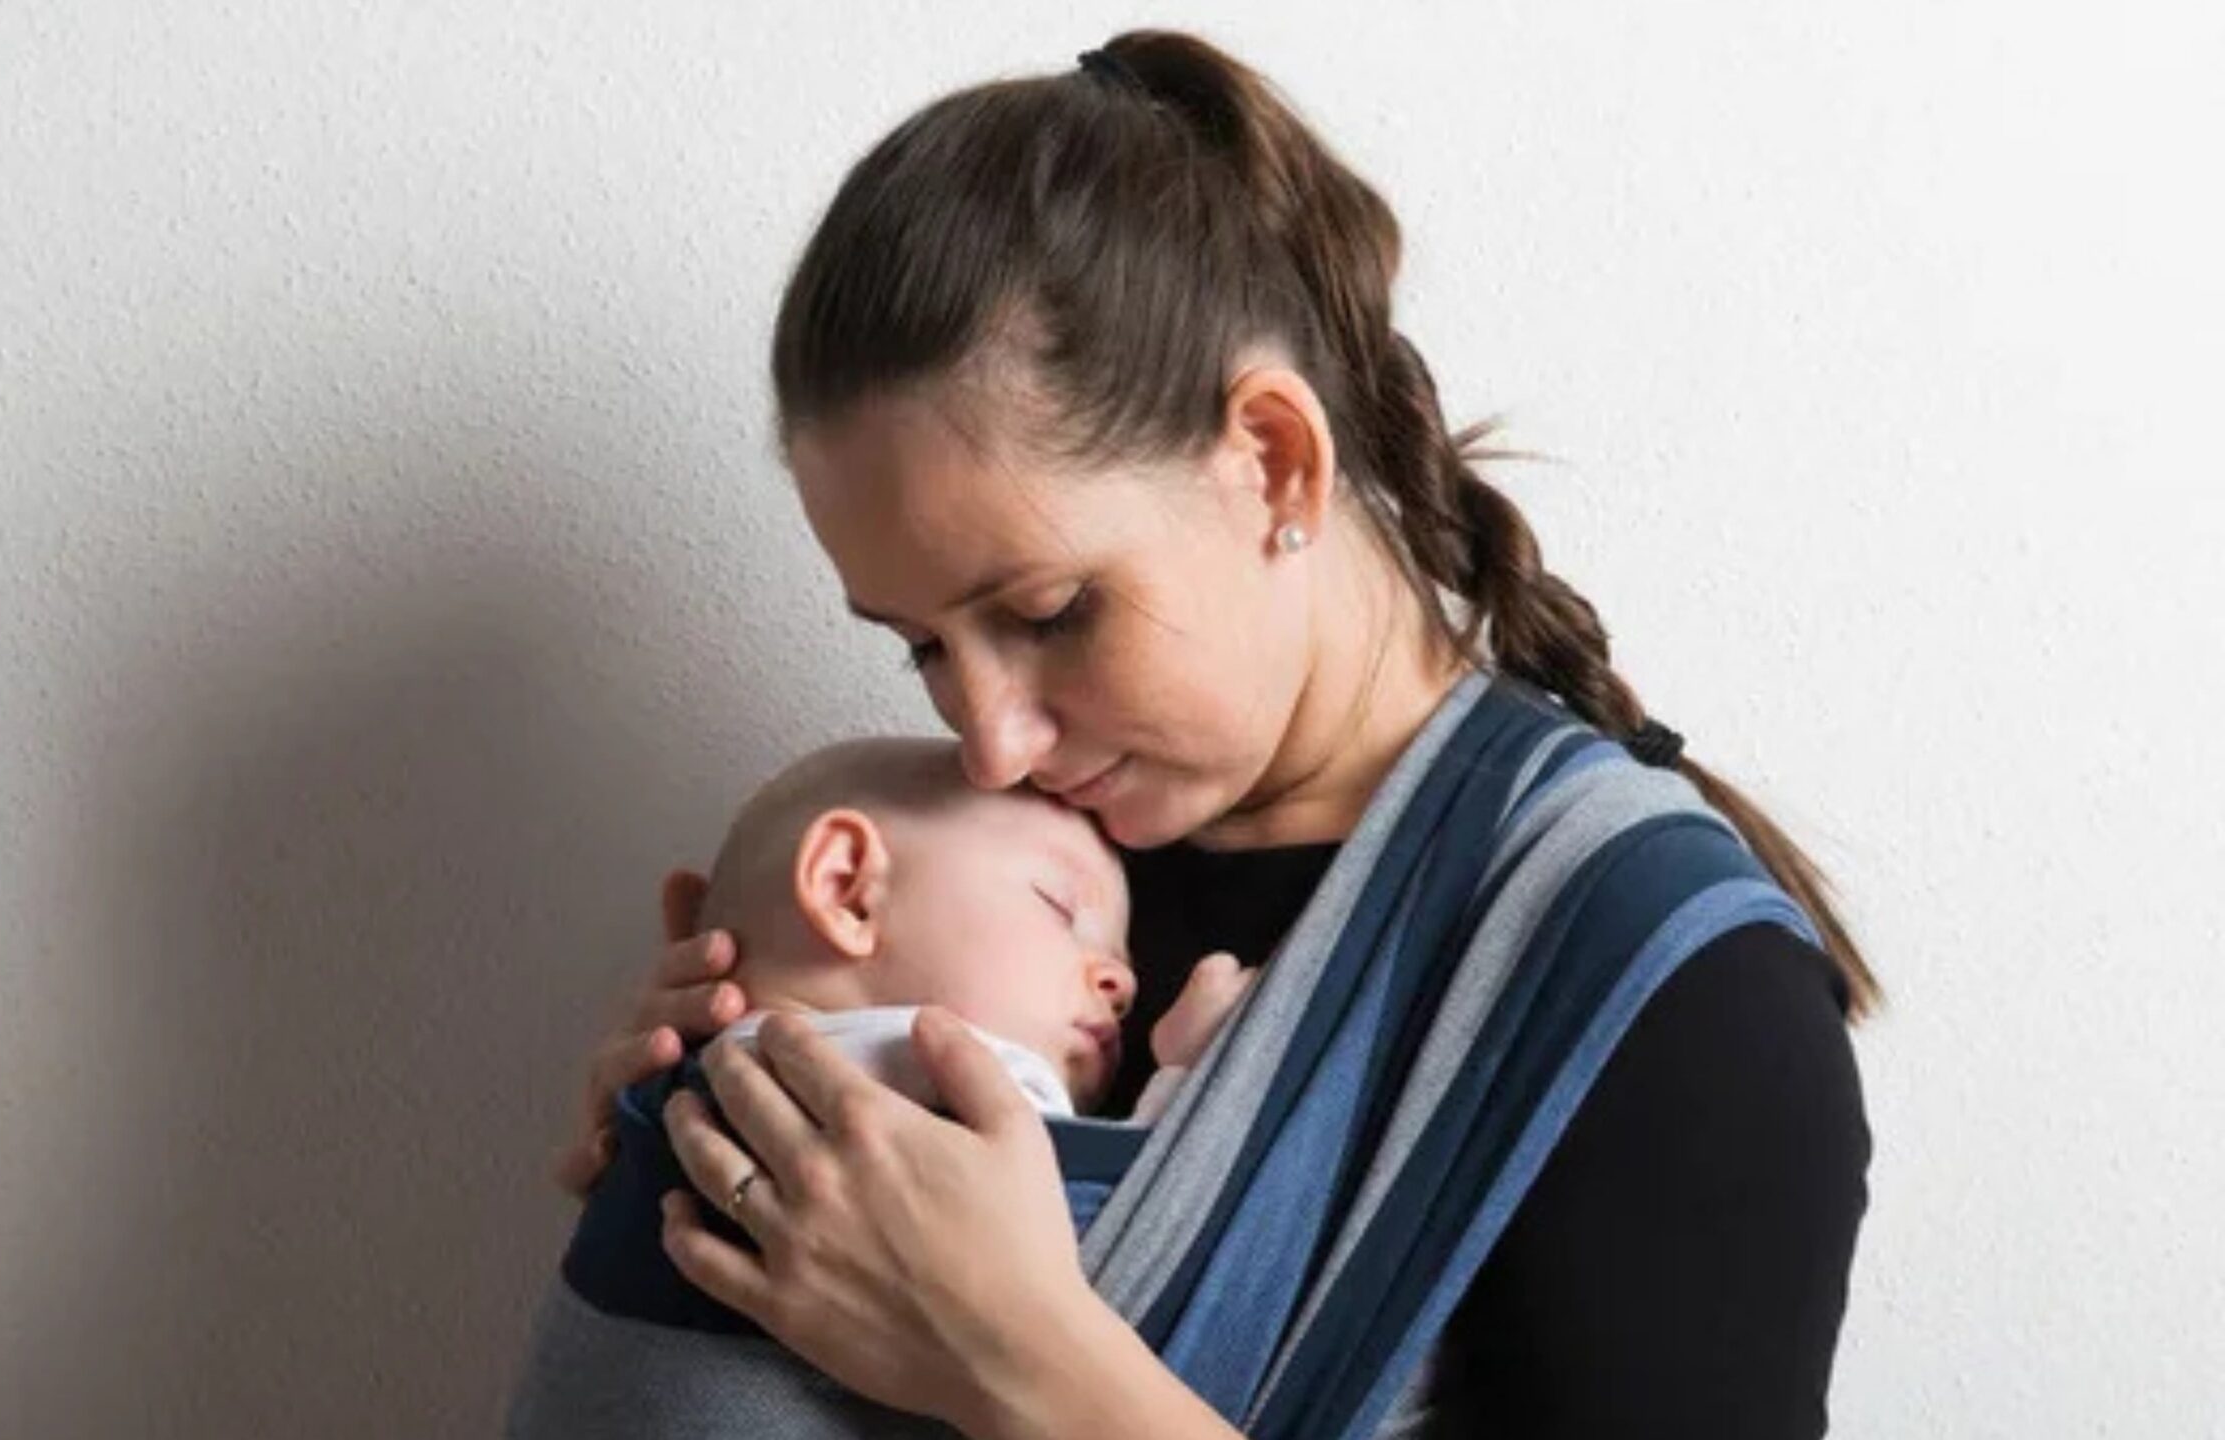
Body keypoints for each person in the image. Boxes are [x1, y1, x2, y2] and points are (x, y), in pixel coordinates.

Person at [548, 29, 1873, 1440]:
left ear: (1274, 462)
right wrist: (703, 1146)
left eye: (1050, 610)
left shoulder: (1667, 998)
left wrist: (1025, 1367)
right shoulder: (985, 904)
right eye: (925, 646)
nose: (991, 740)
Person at [510, 737, 1254, 1436]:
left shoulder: (679, 1086)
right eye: (1061, 910)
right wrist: (1197, 1073)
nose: (1120, 981)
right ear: (847, 889)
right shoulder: (912, 1079)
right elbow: (1119, 1247)